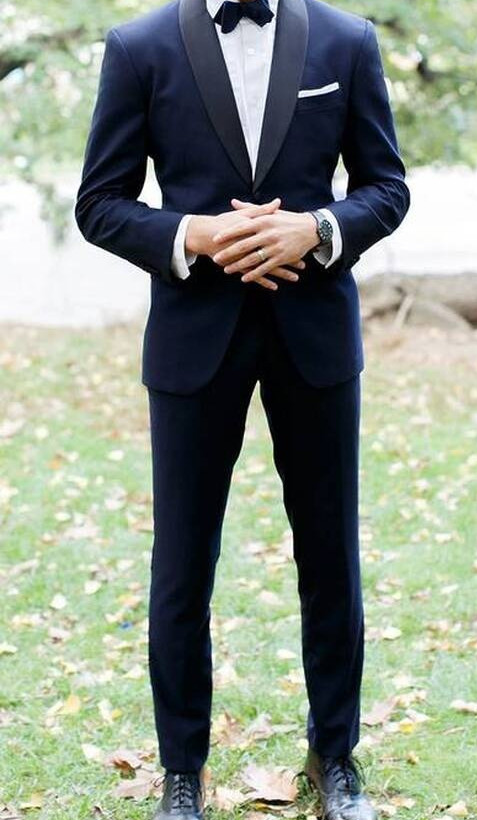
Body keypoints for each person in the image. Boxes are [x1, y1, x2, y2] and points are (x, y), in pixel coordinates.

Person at [75, 0, 410, 817]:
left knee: (329, 558)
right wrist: (190, 235)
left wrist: (317, 228)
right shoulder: (139, 46)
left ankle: (334, 757)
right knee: (181, 565)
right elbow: (100, 202)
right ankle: (181, 771)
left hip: (314, 337)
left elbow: (386, 188)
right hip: (193, 339)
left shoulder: (348, 40)